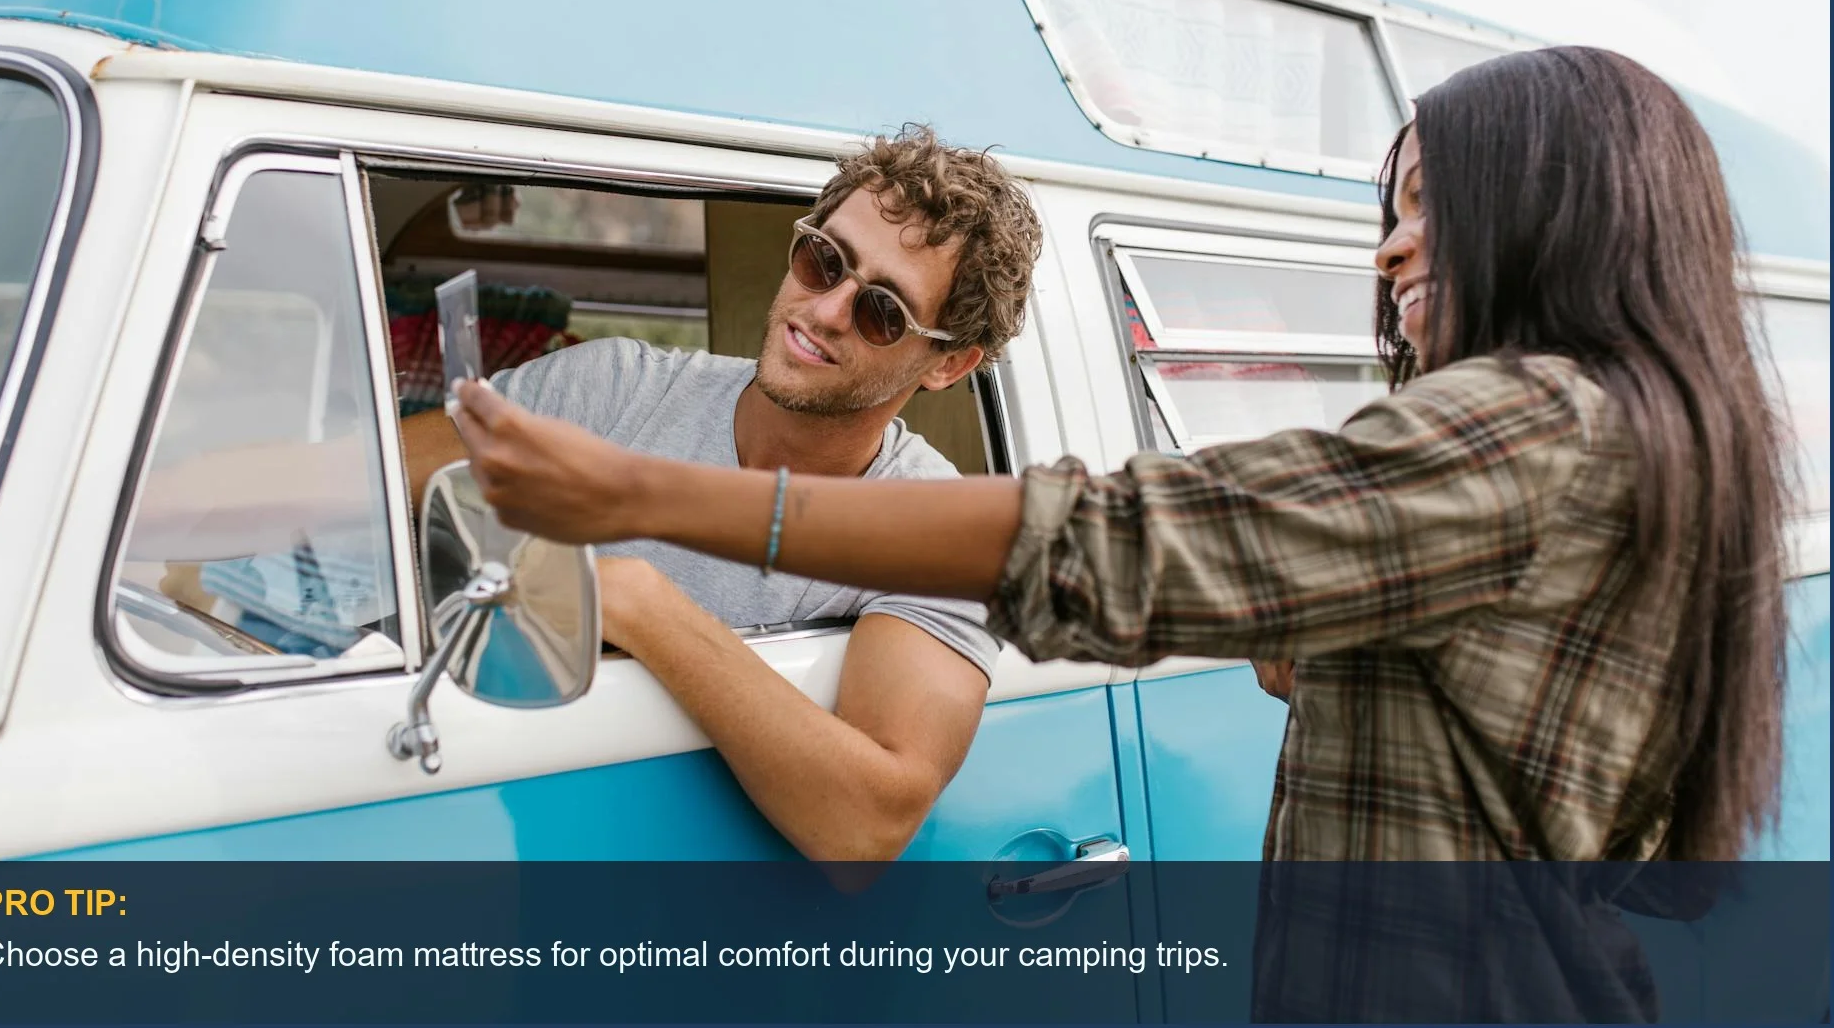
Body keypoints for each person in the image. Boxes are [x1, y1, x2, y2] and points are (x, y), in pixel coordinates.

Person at [449, 47, 1791, 870]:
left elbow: (1127, 542)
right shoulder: (1611, 429)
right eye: (819, 260)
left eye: (1436, 206)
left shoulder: (1537, 424)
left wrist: (645, 511)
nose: (1387, 249)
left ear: (1549, 214)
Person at [405, 124, 1044, 862]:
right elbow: (351, 481)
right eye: (823, 260)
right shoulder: (613, 389)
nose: (827, 309)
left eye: (882, 312)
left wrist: (640, 602)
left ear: (947, 364)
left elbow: (868, 824)